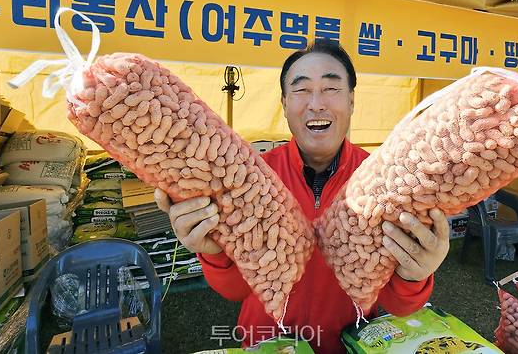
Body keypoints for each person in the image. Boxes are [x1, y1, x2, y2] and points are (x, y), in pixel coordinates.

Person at [155, 40, 450, 353]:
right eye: (301, 89)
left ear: (351, 100)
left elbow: (398, 303)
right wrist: (212, 252)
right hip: (267, 344)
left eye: (331, 88)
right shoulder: (250, 176)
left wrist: (416, 275)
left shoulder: (390, 182)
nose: (316, 103)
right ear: (283, 104)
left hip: (351, 343)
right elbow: (236, 289)